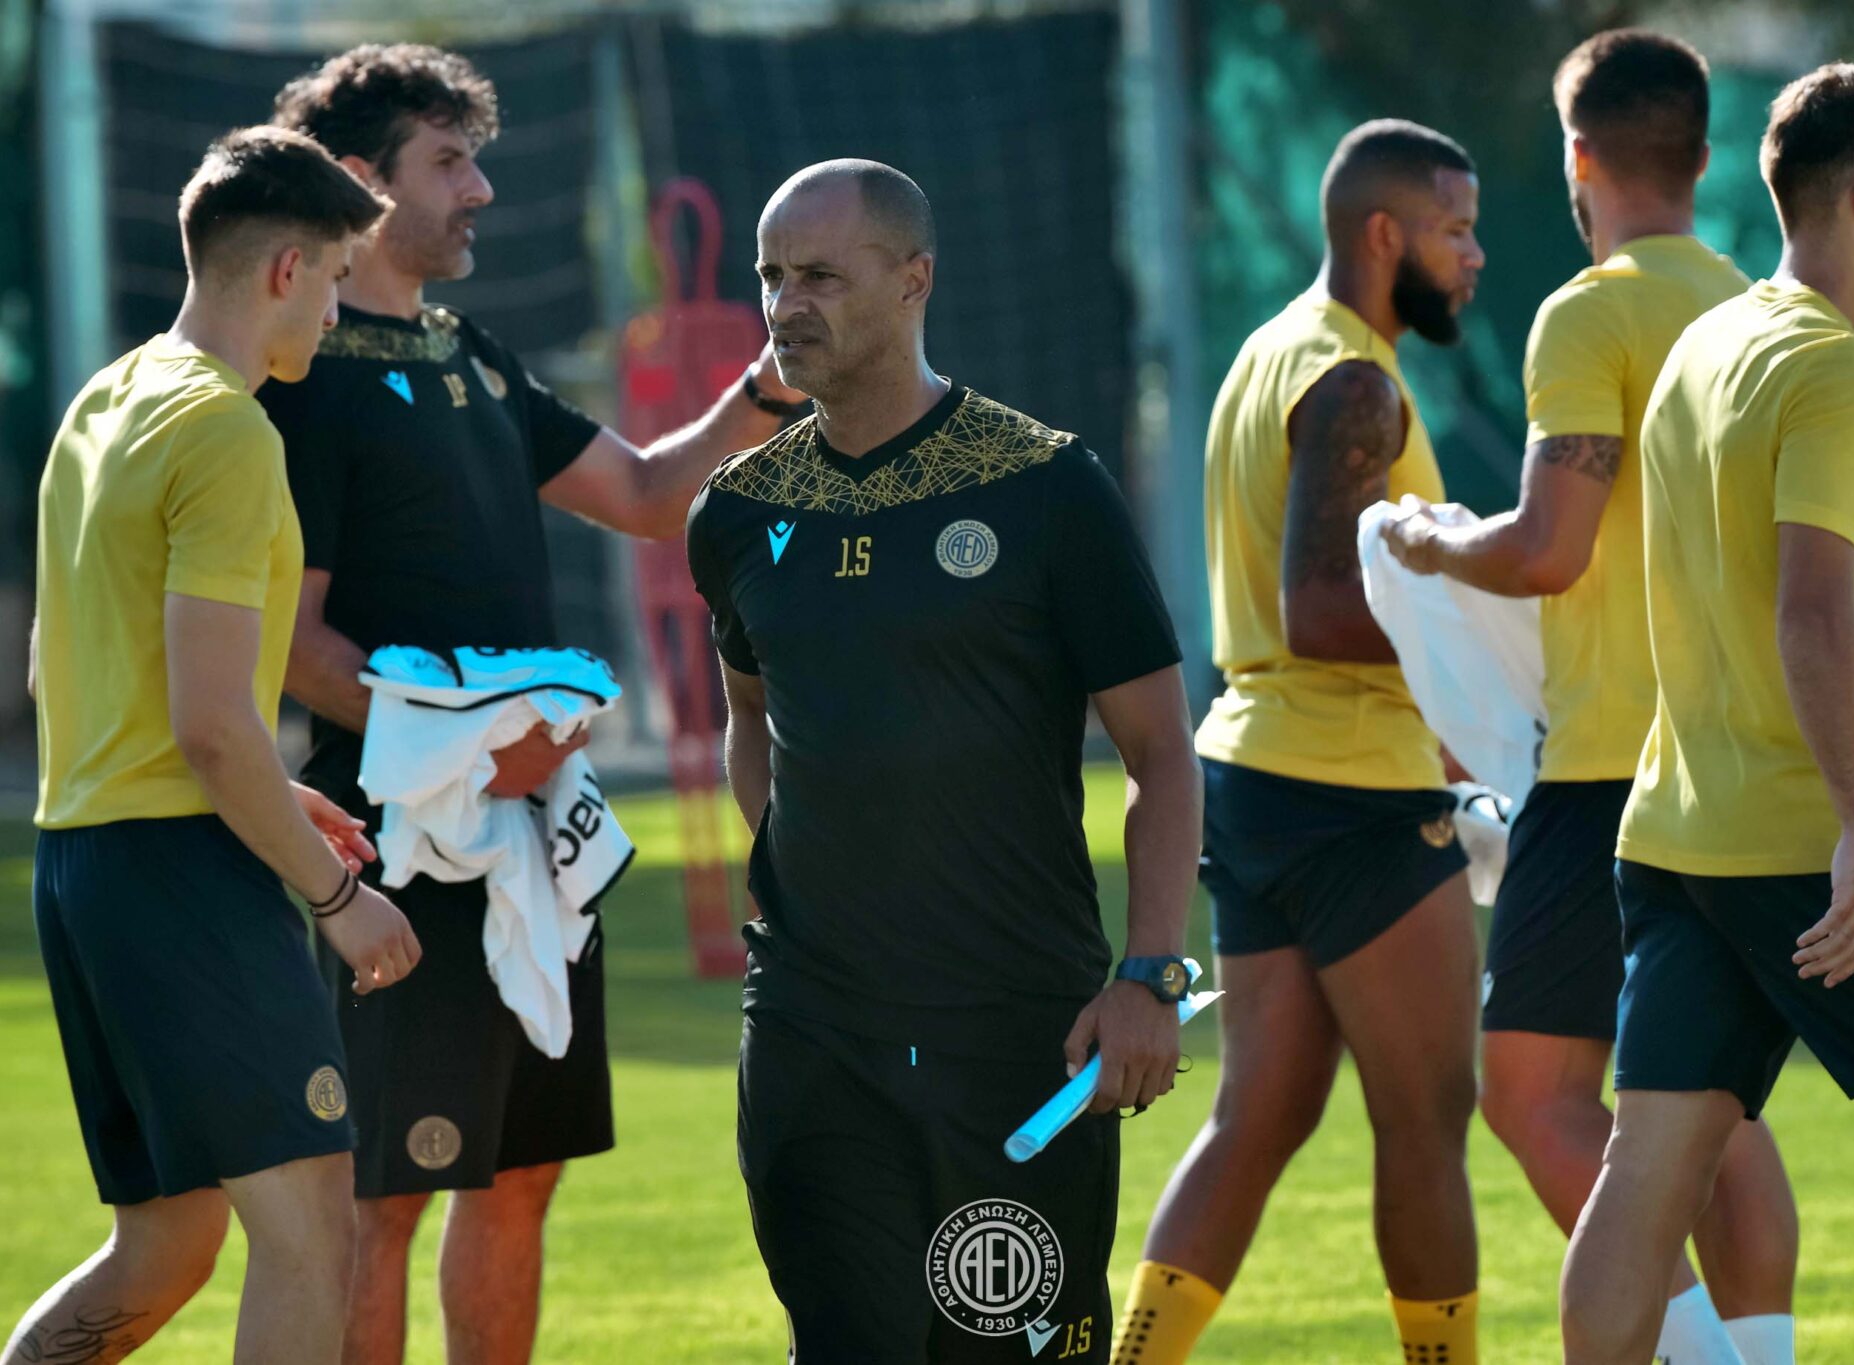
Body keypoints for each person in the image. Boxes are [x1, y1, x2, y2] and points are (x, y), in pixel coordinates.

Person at [260, 44, 803, 1365]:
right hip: (392, 835)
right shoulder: (304, 379)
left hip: (536, 826)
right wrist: (460, 745)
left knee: (521, 1171)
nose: (482, 190)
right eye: (450, 162)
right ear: (359, 181)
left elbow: (647, 493)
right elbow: (289, 645)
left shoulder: (473, 355)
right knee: (383, 1193)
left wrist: (770, 388)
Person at [686, 158, 1198, 1363]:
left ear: (913, 279)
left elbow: (1161, 756)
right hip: (814, 1028)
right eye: (770, 275)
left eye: (820, 275)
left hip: (1016, 1031)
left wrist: (1149, 974)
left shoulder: (1044, 486)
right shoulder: (738, 510)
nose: (785, 304)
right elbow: (750, 715)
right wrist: (787, 880)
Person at [1380, 30, 1799, 1364]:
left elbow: (1548, 549)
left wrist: (1430, 544)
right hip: (1743, 764)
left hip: (1613, 767)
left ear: (1576, 157)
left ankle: (1702, 1361)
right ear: (1704, 156)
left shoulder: (1588, 310)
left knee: (1531, 1091)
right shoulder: (1762, 309)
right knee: (1715, 1109)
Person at [1559, 63, 1854, 1362]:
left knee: (1647, 1172)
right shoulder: (1839, 373)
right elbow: (1806, 610)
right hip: (1797, 845)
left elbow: (1750, 603)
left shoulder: (1708, 344)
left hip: (1672, 838)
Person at [10, 127, 411, 1365]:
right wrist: (336, 896)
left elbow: (63, 669)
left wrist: (265, 790)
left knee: (165, 1247)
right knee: (311, 1237)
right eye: (335, 277)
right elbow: (209, 726)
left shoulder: (107, 398)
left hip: (83, 866)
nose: (335, 312)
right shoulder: (230, 432)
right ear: (287, 268)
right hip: (180, 879)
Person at [1115, 120, 1484, 1365]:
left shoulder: (1270, 350)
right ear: (1382, 236)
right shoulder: (1355, 380)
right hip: (1350, 792)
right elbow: (1323, 611)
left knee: (1257, 1117)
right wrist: (1490, 648)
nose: (1472, 255)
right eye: (1452, 229)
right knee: (1425, 1121)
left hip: (1253, 773)